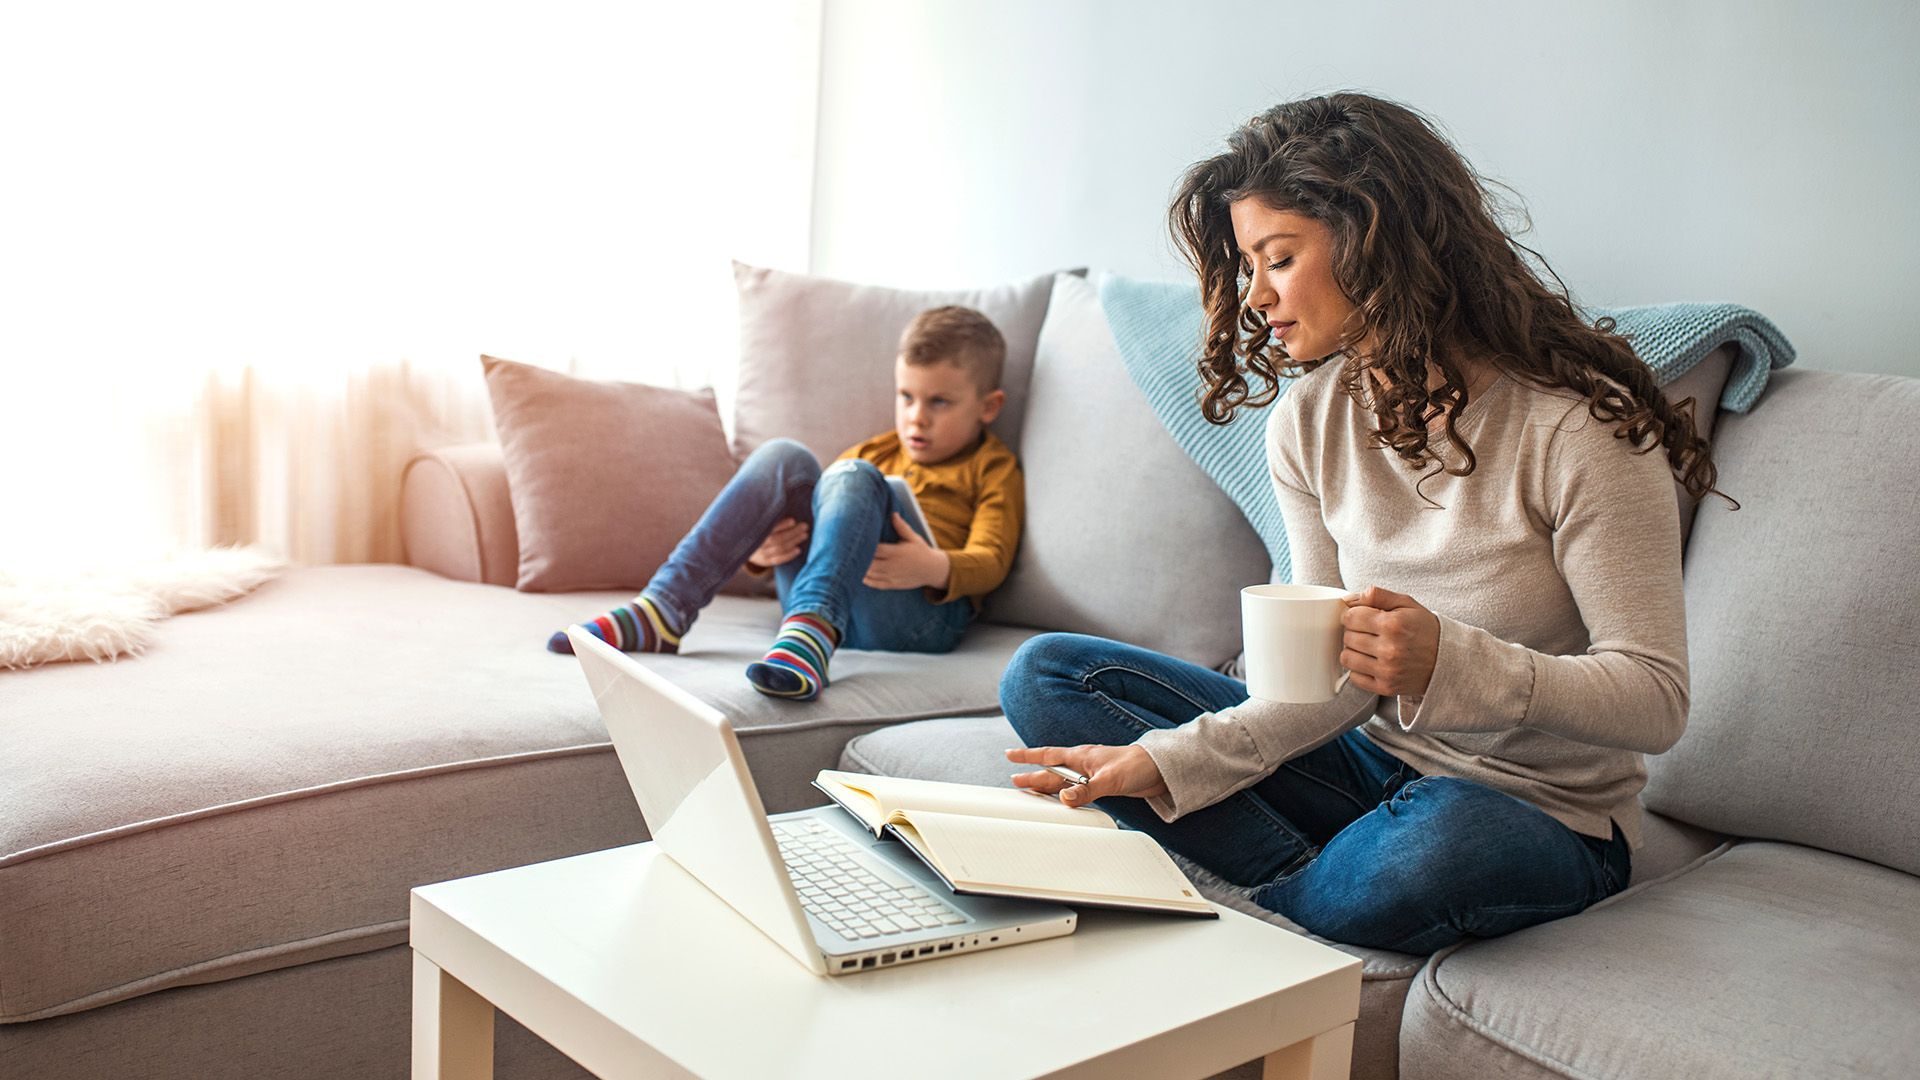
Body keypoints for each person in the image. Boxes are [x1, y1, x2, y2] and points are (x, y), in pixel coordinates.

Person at [999, 92, 1735, 953]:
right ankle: (1321, 886)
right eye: (1249, 266)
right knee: (1047, 677)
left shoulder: (1578, 430)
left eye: (1279, 258)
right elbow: (1325, 682)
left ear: (1371, 239)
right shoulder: (1308, 421)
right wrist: (1168, 760)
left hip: (1531, 812)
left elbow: (1656, 700)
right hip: (1364, 764)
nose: (1256, 296)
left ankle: (1279, 890)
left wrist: (1450, 662)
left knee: (1440, 844)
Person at [550, 305, 1024, 703]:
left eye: (939, 402)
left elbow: (993, 559)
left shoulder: (992, 467)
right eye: (906, 396)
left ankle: (813, 628)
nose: (916, 417)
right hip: (828, 604)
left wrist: (933, 567)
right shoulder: (876, 450)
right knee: (785, 457)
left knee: (853, 476)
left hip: (915, 621)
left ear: (988, 407)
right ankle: (664, 610)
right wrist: (761, 553)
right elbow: (833, 532)